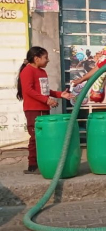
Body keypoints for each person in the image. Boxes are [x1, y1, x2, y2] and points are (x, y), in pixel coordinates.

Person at [16, 46, 74, 174]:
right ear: (36, 59)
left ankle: (44, 162)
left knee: (45, 137)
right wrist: (47, 100)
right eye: (45, 58)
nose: (48, 60)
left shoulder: (42, 72)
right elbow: (29, 90)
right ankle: (33, 165)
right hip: (33, 110)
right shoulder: (27, 71)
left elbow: (46, 91)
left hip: (43, 109)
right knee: (35, 137)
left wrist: (59, 95)